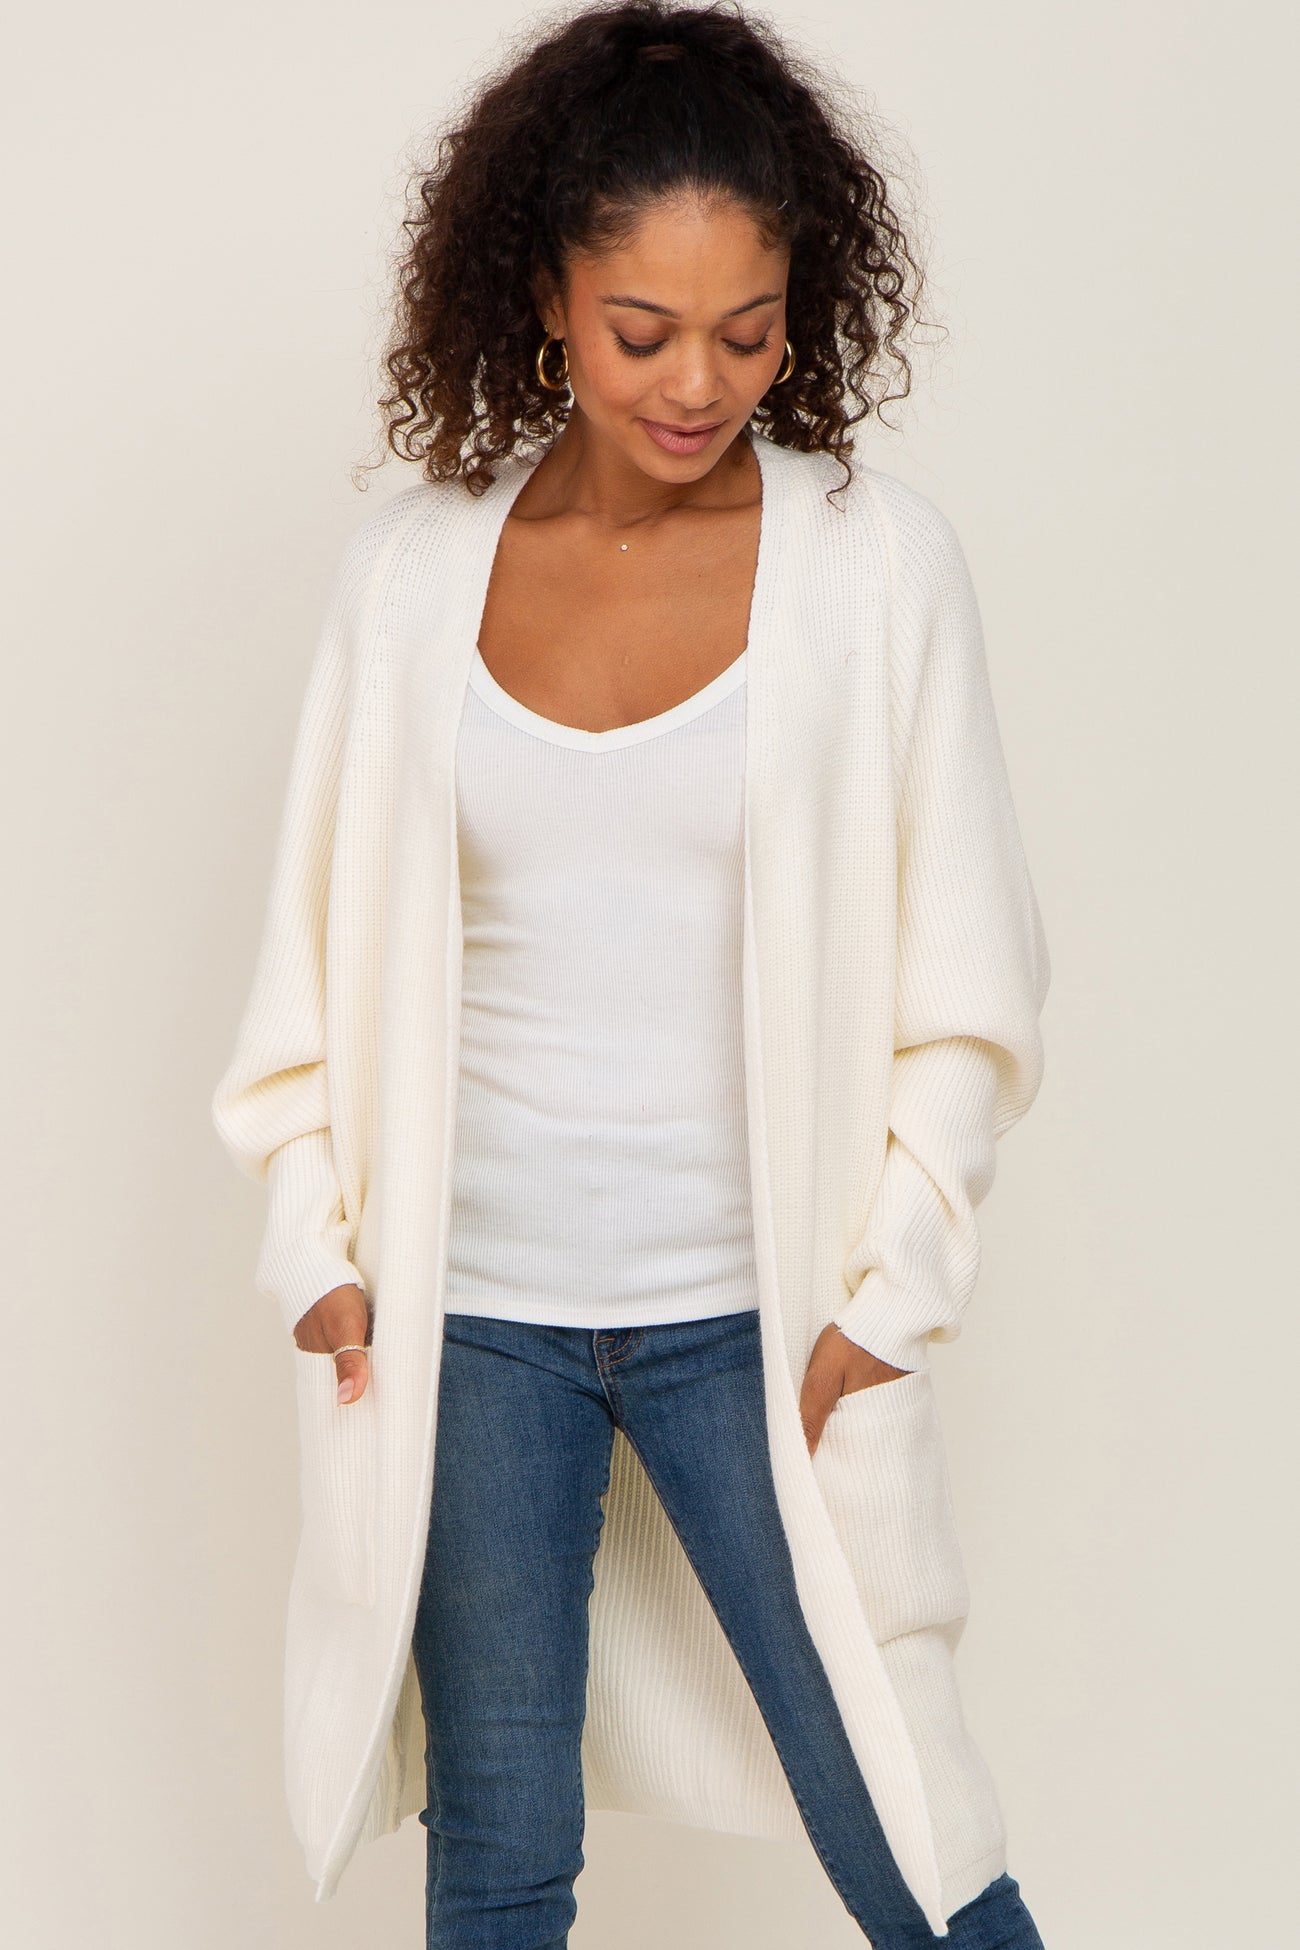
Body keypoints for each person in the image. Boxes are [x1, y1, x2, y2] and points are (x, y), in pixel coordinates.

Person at [211, 4, 1052, 1946]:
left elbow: (974, 986)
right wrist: (315, 1244)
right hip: (471, 1324)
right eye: (642, 331)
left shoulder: (874, 569)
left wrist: (885, 1298)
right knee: (498, 1853)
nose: (697, 385)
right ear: (546, 301)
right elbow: (305, 965)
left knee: (909, 1835)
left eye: (747, 334)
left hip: (759, 1318)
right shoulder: (410, 579)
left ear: (800, 310)